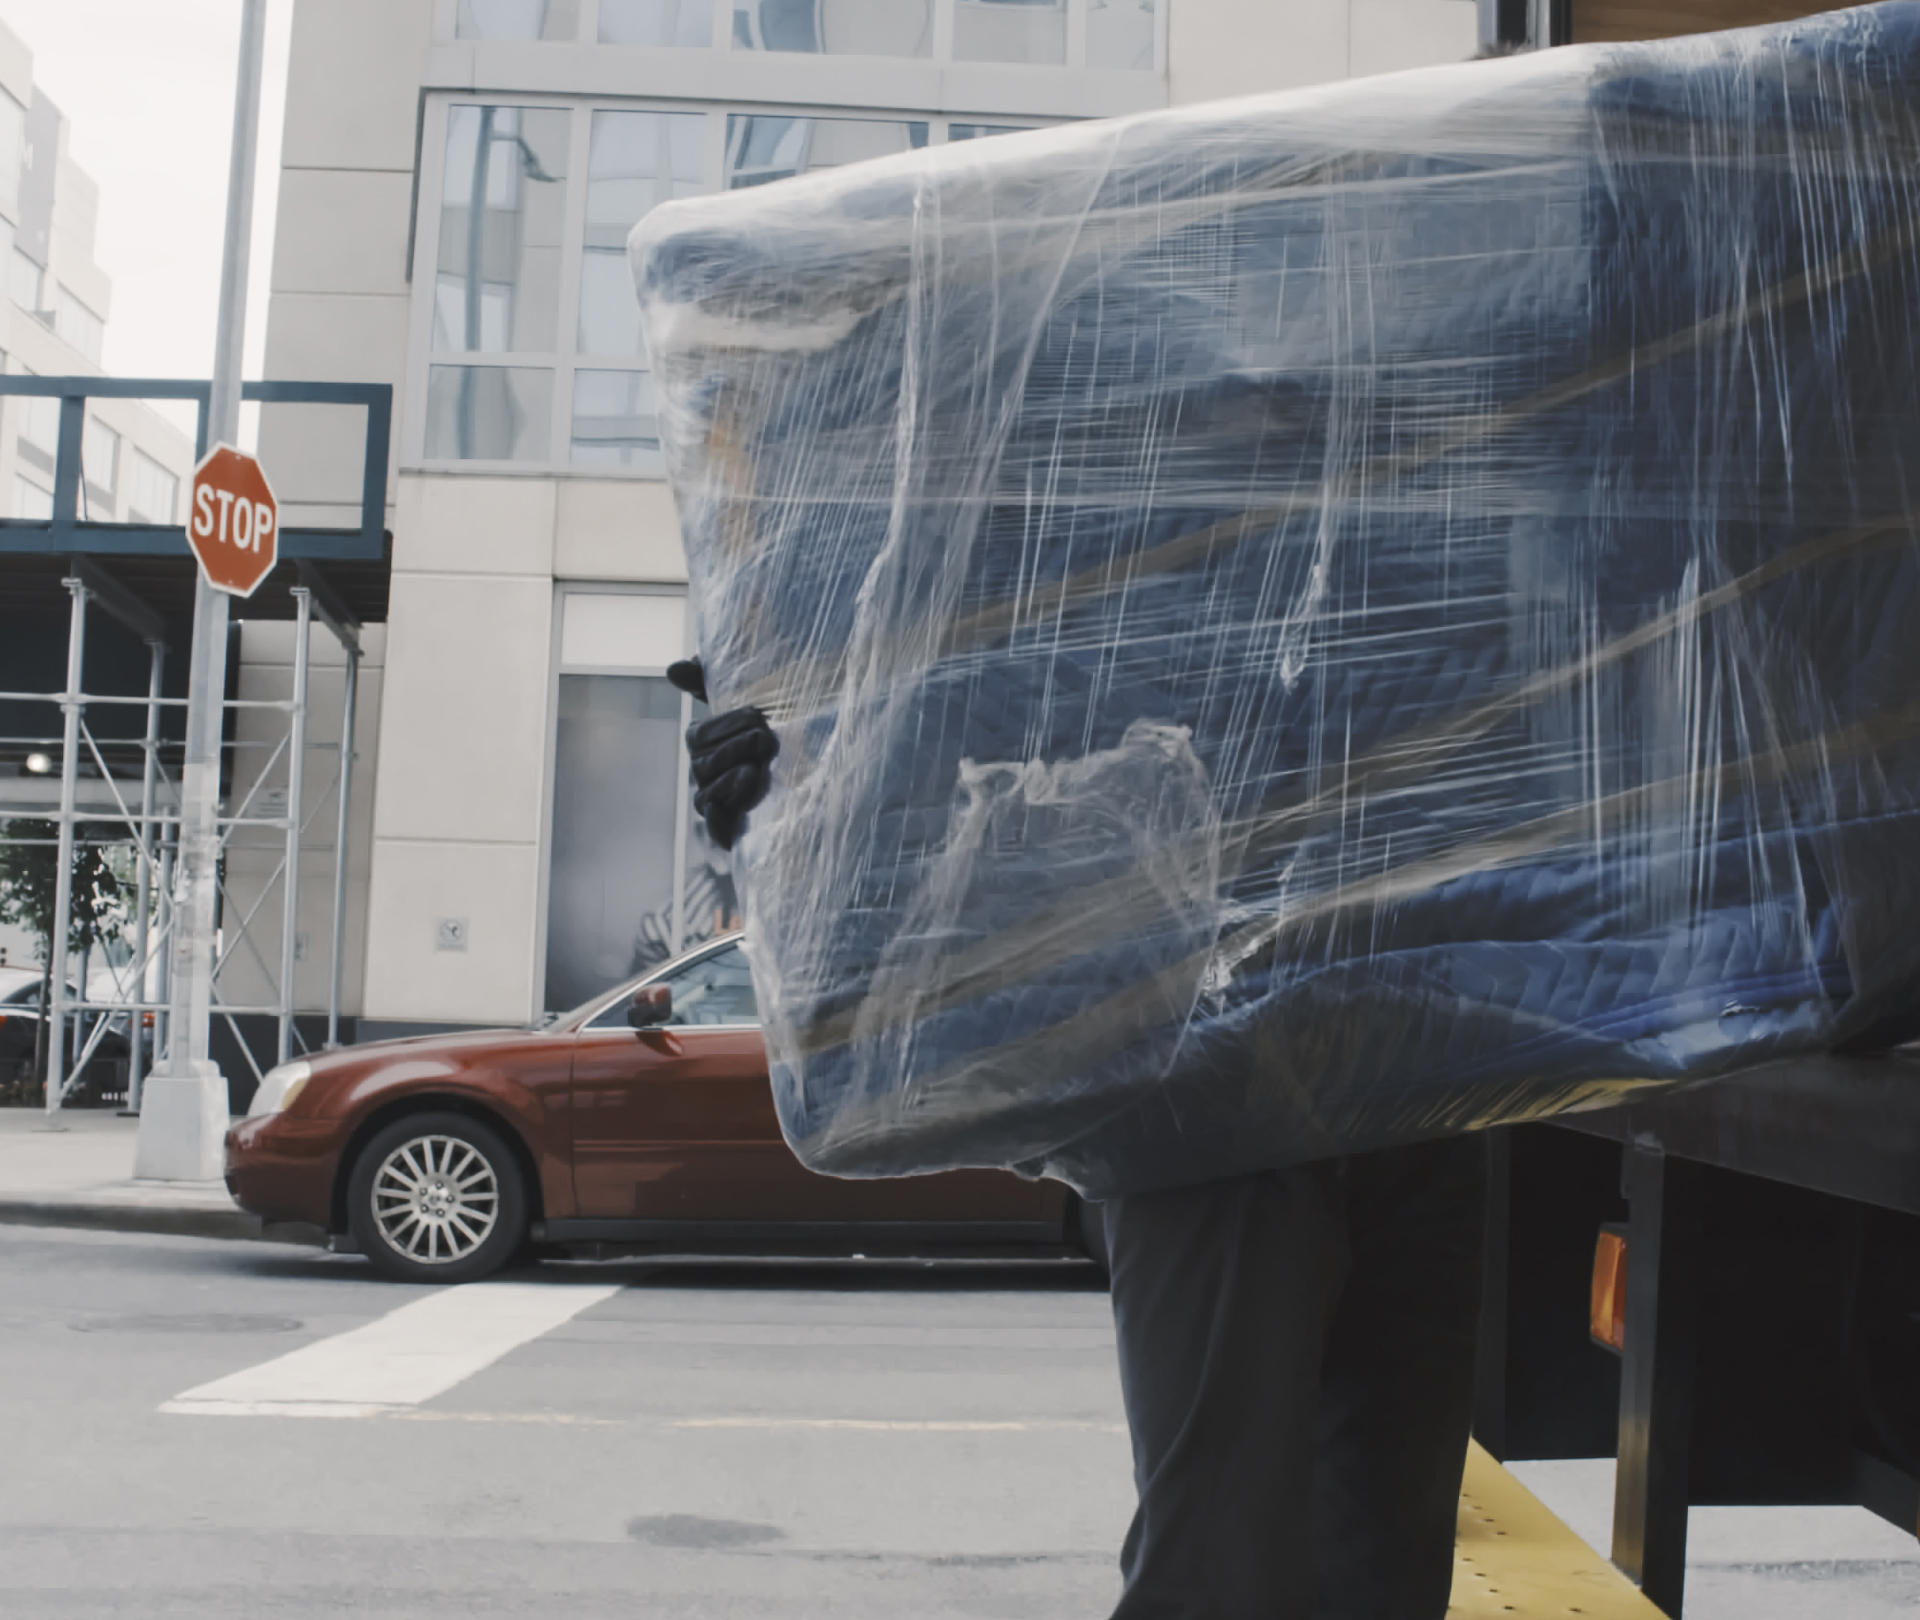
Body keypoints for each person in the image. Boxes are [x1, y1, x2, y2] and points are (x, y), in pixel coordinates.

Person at [667, 656, 1487, 1620]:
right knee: (1222, 1573)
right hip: (1217, 1095)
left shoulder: (1376, 538)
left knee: (1388, 1558)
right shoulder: (1058, 557)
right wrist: (789, 791)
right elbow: (941, 734)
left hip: (1430, 1049)